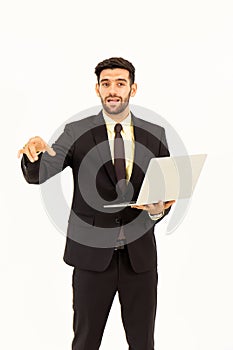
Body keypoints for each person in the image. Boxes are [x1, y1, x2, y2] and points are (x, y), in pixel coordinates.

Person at [18, 57, 175, 350]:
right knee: (86, 342)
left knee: (143, 343)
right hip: (91, 259)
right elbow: (40, 175)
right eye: (106, 84)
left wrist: (158, 210)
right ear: (97, 89)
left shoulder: (155, 135)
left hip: (139, 261)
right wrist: (34, 156)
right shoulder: (76, 131)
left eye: (120, 83)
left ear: (133, 88)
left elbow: (165, 193)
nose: (112, 90)